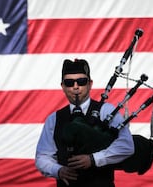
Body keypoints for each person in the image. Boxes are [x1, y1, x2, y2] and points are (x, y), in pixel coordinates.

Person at [35, 59, 135, 187]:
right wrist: (58, 170)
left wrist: (93, 159)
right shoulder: (54, 119)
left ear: (90, 84)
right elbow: (43, 156)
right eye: (69, 82)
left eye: (81, 81)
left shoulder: (106, 111)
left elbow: (126, 145)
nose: (76, 86)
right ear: (63, 86)